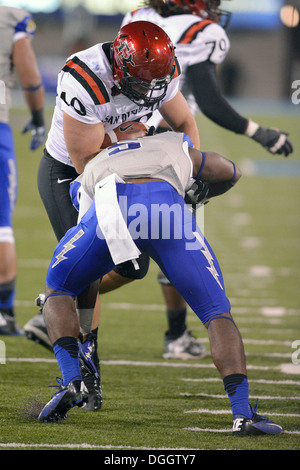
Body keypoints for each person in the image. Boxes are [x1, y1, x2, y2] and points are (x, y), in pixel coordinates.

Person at [37, 131, 282, 437]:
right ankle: (242, 414)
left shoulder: (92, 164)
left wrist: (84, 328)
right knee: (216, 312)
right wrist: (197, 194)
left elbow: (86, 268)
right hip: (167, 209)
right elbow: (230, 171)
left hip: (113, 207)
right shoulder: (170, 142)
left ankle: (72, 379)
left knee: (57, 289)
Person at [23, 20, 200, 411]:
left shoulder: (158, 72)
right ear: (119, 68)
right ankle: (87, 365)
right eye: (140, 84)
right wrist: (130, 139)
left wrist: (187, 174)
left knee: (134, 266)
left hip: (123, 167)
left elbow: (185, 124)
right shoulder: (84, 78)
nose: (150, 93)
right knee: (88, 264)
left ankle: (55, 301)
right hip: (71, 172)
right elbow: (86, 159)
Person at [120, 0, 294, 359]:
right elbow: (211, 102)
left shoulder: (138, 17)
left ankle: (175, 332)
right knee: (171, 243)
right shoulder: (205, 33)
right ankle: (69, 301)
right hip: (167, 144)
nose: (214, 8)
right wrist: (260, 133)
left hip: (125, 137)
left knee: (129, 244)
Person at [0, 6, 45, 336]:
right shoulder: (11, 16)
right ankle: (3, 311)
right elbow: (29, 74)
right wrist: (38, 117)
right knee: (1, 225)